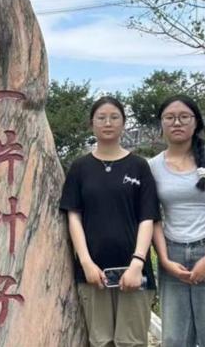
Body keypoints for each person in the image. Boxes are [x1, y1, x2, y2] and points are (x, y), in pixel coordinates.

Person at [59, 96, 159, 347]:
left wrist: (137, 262)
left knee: (132, 341)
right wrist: (86, 262)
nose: (108, 122)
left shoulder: (139, 166)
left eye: (114, 117)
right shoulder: (80, 168)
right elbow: (73, 216)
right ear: (91, 124)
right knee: (101, 341)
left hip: (134, 271)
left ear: (123, 123)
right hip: (94, 272)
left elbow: (147, 217)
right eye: (101, 117)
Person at [150, 95, 205, 347]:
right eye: (169, 117)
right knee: (175, 337)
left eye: (184, 117)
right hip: (172, 255)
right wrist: (164, 260)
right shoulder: (152, 166)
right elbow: (153, 218)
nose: (177, 122)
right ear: (161, 123)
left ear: (195, 122)